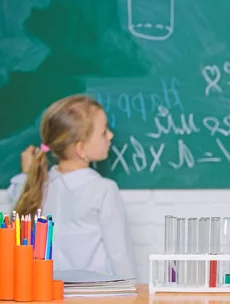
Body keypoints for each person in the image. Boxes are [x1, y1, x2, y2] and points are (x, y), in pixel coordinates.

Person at [7, 95, 136, 279]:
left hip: (48, 291)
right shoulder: (104, 189)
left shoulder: (37, 186)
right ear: (81, 149)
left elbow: (18, 198)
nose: (110, 135)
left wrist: (27, 174)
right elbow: (119, 254)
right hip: (94, 294)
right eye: (104, 132)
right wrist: (133, 292)